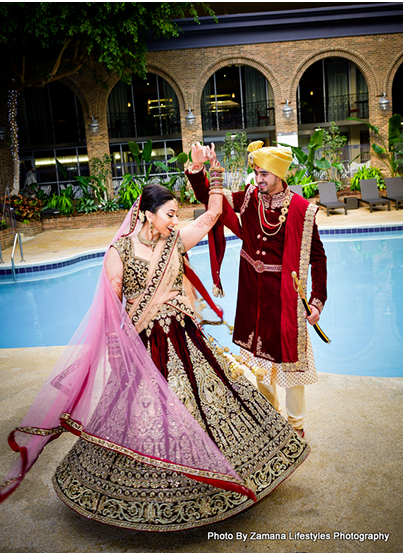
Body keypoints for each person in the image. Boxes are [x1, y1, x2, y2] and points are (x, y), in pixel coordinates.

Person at [0, 144, 309, 532]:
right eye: (169, 214)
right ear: (147, 214)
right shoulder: (119, 252)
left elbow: (214, 214)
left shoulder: (176, 239)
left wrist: (210, 171)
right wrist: (117, 351)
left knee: (205, 404)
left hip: (184, 338)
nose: (175, 220)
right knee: (143, 415)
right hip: (143, 345)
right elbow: (112, 310)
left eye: (176, 214)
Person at [186, 141, 327, 438]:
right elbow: (213, 201)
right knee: (260, 361)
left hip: (285, 299)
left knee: (291, 365)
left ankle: (296, 426)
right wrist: (199, 169)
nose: (258, 179)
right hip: (253, 294)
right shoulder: (250, 197)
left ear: (279, 174)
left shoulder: (302, 210)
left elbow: (317, 257)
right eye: (256, 173)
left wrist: (316, 300)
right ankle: (270, 419)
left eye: (264, 174)